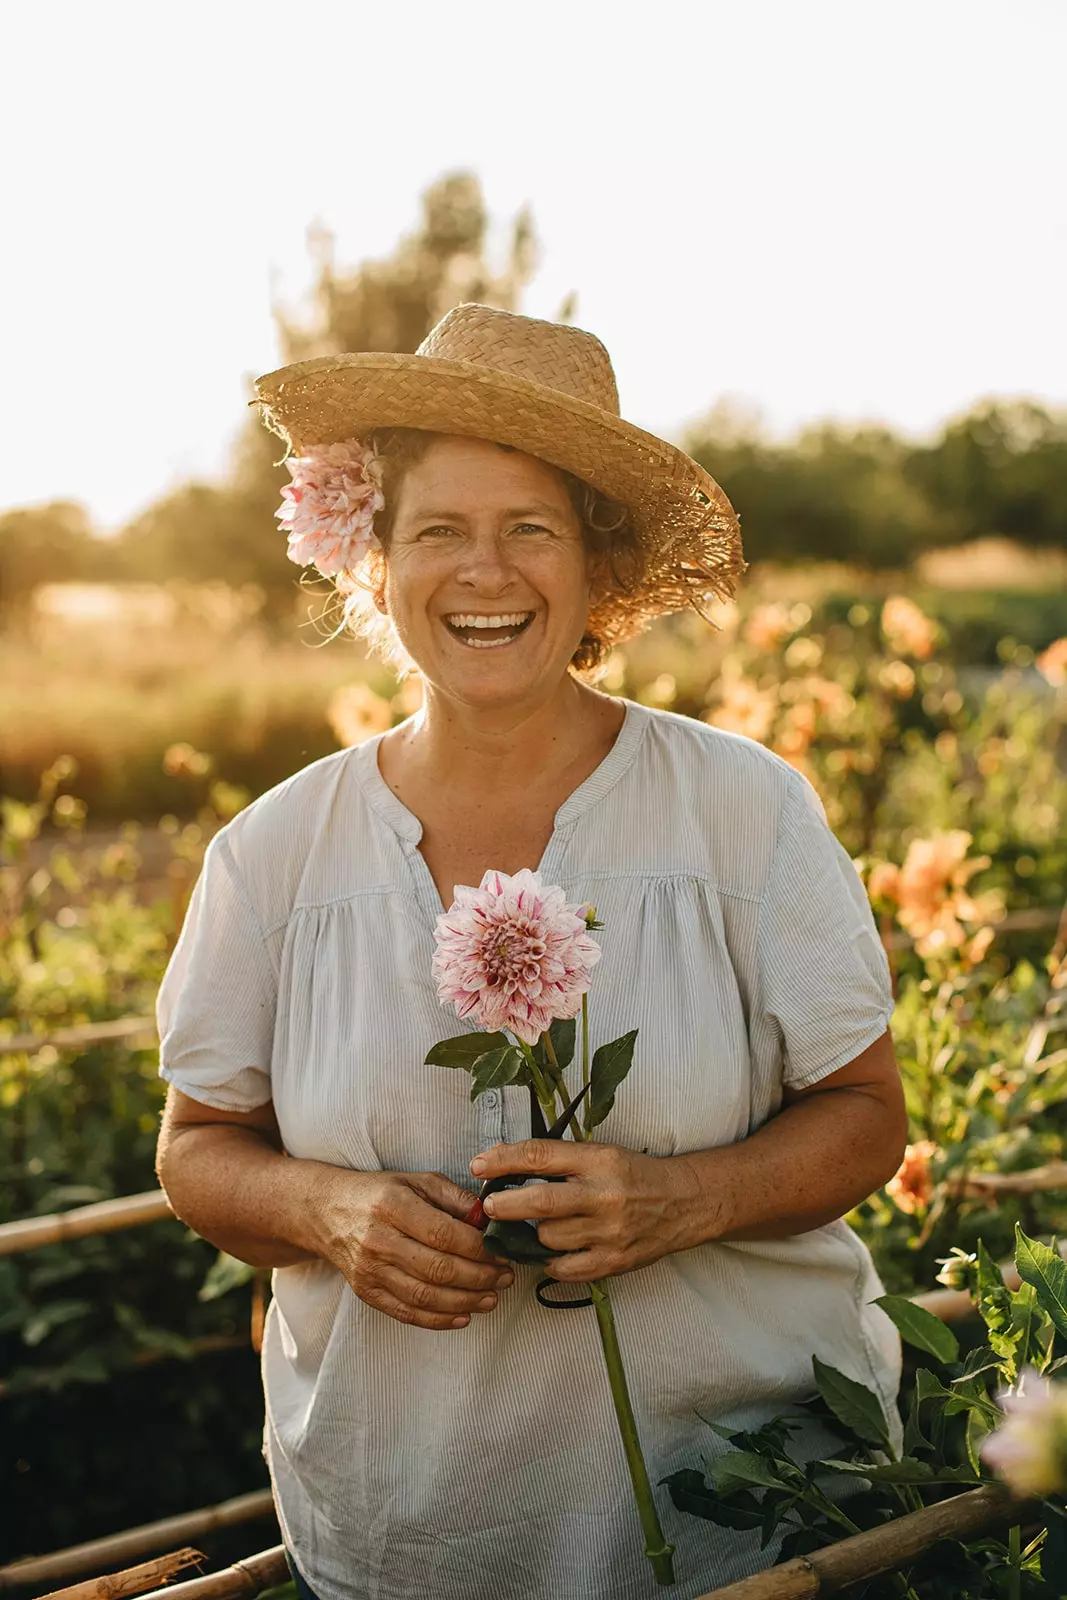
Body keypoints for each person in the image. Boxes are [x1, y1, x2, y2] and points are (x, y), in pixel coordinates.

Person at [154, 303, 907, 1600]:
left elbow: (864, 1115)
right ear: (371, 559)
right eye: (438, 529)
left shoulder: (738, 810)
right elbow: (197, 1151)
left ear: (597, 570)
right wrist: (331, 1212)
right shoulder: (274, 856)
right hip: (417, 1531)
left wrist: (688, 1197)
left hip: (744, 1515)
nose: (483, 572)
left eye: (530, 530)